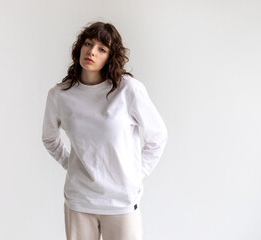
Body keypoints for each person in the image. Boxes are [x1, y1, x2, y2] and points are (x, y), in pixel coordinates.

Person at [41, 21, 168, 240]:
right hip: (80, 200)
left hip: (121, 202)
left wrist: (136, 174)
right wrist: (71, 164)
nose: (91, 51)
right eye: (88, 43)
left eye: (102, 49)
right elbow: (50, 138)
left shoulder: (128, 90)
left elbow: (158, 137)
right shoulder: (60, 95)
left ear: (111, 56)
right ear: (79, 47)